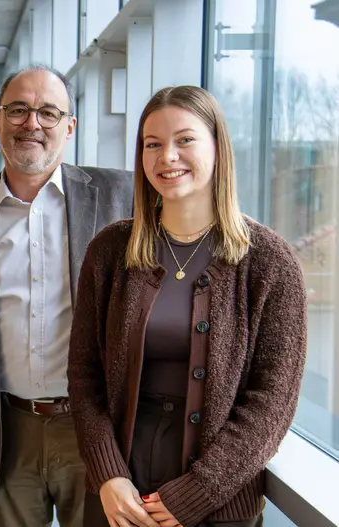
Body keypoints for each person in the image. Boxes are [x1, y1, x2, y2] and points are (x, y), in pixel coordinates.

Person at [68, 85, 308, 527]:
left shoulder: (271, 262)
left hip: (217, 493)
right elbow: (85, 375)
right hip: (121, 490)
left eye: (185, 140)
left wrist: (200, 492)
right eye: (152, 144)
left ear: (218, 147)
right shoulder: (110, 250)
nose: (167, 157)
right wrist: (108, 476)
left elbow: (273, 401)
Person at [0, 65, 133, 527]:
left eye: (48, 112)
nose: (31, 123)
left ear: (70, 127)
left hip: (98, 432)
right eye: (17, 110)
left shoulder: (125, 199)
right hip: (3, 435)